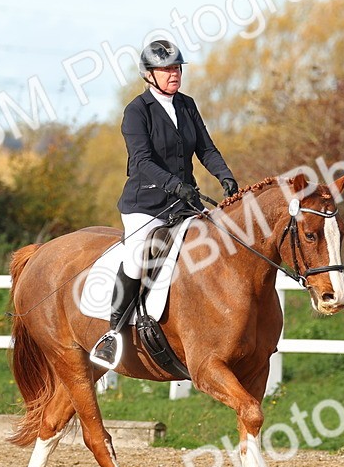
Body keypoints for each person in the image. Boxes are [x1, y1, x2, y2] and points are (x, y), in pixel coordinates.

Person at [89, 39, 239, 369]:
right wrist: (174, 185)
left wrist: (225, 176)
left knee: (215, 248)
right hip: (146, 205)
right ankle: (113, 332)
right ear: (149, 75)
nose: (174, 74)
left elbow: (207, 149)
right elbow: (141, 160)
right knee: (138, 256)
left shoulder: (186, 105)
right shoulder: (136, 111)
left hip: (185, 203)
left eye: (177, 68)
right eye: (167, 69)